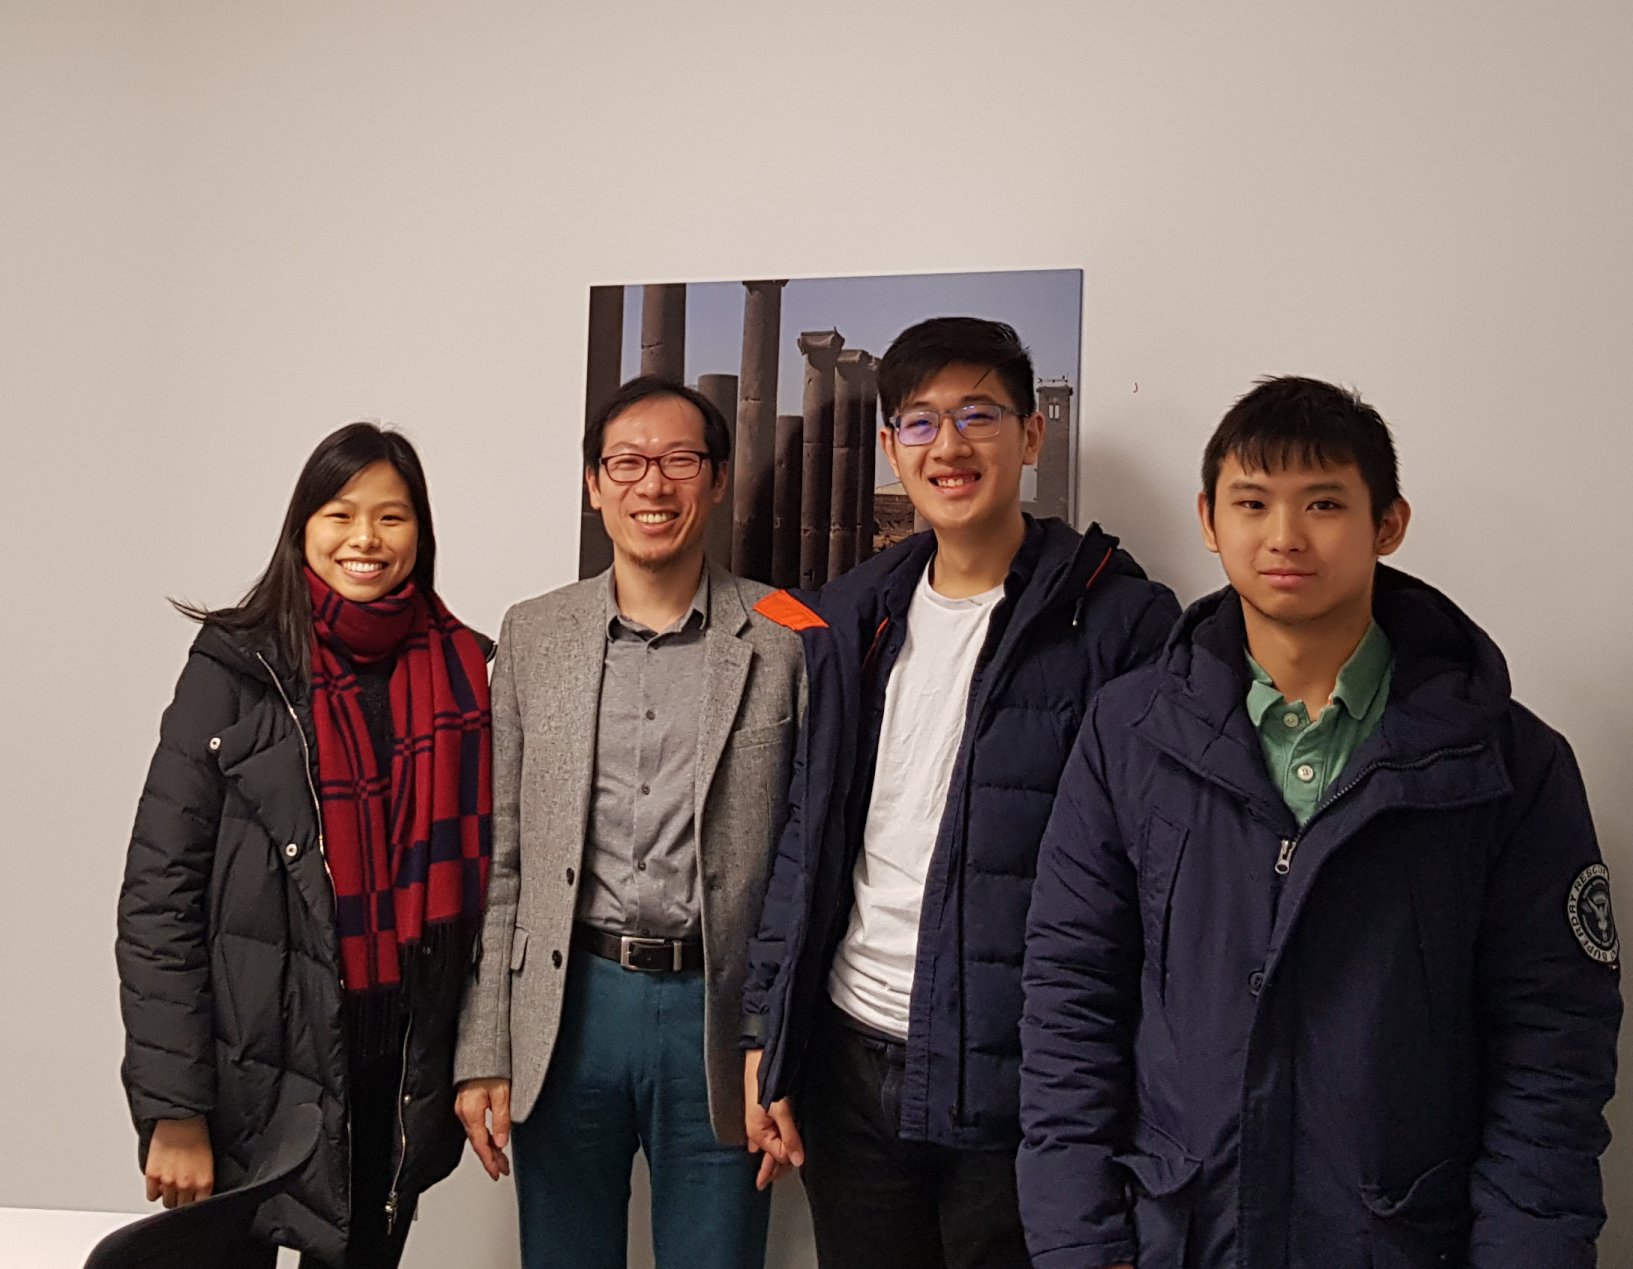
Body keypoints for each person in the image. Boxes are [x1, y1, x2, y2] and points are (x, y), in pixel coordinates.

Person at [1018, 375, 1623, 1269]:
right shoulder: (1128, 733)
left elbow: (1553, 1049)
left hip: (1401, 1240)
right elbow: (1069, 999)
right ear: (1208, 519)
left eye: (1324, 503)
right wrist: (1081, 1242)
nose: (1284, 536)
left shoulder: (1507, 763)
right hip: (1180, 1238)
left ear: (1388, 524)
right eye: (1252, 502)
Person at [741, 317, 1179, 1268]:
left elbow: (1155, 884)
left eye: (978, 414)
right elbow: (805, 838)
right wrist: (766, 1036)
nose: (948, 445)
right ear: (892, 445)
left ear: (1032, 435)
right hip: (850, 1065)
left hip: (1024, 1085)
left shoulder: (1119, 622)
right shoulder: (852, 614)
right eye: (920, 421)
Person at [117, 422, 493, 1269]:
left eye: (391, 516)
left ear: (420, 532)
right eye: (340, 513)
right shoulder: (235, 669)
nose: (366, 538)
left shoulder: (466, 671)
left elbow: (489, 892)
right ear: (303, 527)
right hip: (248, 1075)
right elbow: (159, 895)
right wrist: (174, 1106)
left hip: (393, 1069)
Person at [453, 375, 805, 1269]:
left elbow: (807, 864)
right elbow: (503, 856)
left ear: (716, 480)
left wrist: (778, 1044)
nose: (654, 484)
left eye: (680, 460)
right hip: (569, 1006)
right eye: (627, 463)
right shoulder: (532, 634)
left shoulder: (784, 640)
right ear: (594, 484)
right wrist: (484, 1044)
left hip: (717, 1018)